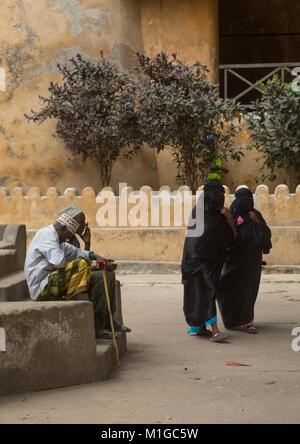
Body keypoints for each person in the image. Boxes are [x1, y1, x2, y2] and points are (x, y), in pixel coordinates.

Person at [24, 204, 122, 339]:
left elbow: (77, 252)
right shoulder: (46, 235)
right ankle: (79, 306)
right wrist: (95, 266)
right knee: (80, 265)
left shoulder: (60, 239)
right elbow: (60, 263)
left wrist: (99, 258)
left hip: (56, 279)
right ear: (64, 228)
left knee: (105, 276)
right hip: (42, 287)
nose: (70, 238)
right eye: (70, 234)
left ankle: (105, 323)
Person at [181, 180, 237, 342]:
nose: (220, 197)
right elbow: (194, 240)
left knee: (206, 291)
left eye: (222, 194)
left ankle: (202, 327)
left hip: (212, 261)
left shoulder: (220, 216)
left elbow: (233, 237)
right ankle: (211, 329)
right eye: (217, 194)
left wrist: (229, 218)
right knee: (202, 291)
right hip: (194, 261)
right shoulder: (197, 213)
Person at [217, 187, 272, 334]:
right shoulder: (232, 214)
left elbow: (267, 232)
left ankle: (247, 322)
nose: (248, 201)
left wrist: (257, 221)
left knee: (248, 292)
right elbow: (227, 235)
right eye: (244, 198)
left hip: (253, 262)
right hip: (235, 261)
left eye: (250, 198)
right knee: (227, 288)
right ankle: (231, 321)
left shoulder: (255, 214)